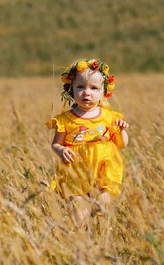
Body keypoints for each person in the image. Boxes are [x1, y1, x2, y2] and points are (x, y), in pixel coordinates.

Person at [46, 58, 129, 229]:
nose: (86, 93)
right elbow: (55, 144)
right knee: (78, 214)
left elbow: (121, 144)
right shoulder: (65, 120)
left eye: (93, 88)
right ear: (70, 89)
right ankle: (82, 240)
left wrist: (121, 130)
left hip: (102, 169)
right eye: (80, 87)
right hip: (75, 170)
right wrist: (61, 151)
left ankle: (100, 236)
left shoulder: (109, 117)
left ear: (103, 92)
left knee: (103, 204)